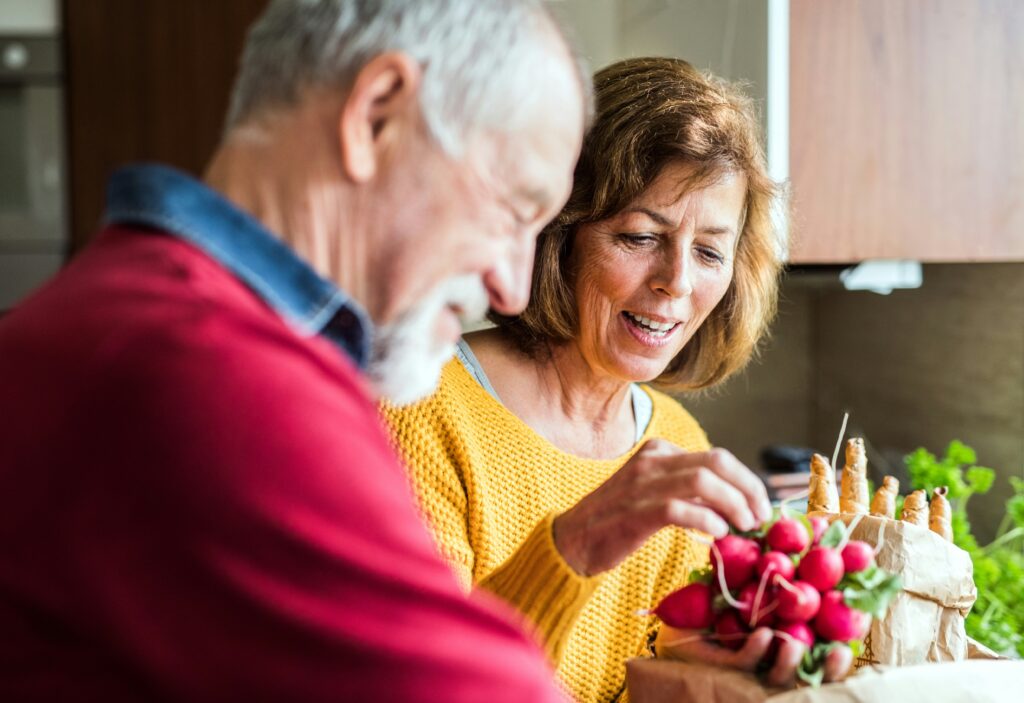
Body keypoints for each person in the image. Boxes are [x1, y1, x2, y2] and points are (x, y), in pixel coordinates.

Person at [0, 1, 590, 700]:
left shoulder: (120, 310)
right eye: (515, 211)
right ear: (377, 115)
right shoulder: (213, 373)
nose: (513, 287)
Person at [383, 57, 852, 702]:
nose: (678, 282)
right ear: (557, 235)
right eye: (638, 235)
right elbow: (418, 684)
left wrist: (721, 664)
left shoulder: (678, 442)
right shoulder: (419, 407)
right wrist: (573, 546)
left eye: (710, 252)